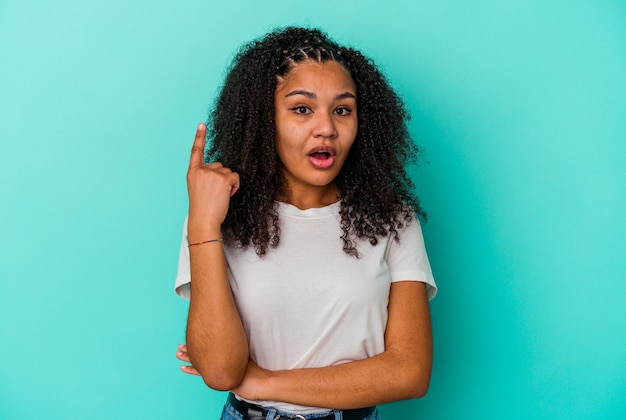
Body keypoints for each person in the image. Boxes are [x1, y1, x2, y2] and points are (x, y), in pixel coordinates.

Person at [174, 26, 437, 420]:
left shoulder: (393, 221)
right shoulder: (215, 219)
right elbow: (221, 370)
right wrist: (203, 226)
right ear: (265, 120)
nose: (327, 128)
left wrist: (261, 382)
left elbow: (409, 372)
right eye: (302, 109)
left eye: (342, 109)